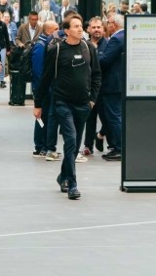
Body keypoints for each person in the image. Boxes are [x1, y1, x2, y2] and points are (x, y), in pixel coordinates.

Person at [33, 14, 101, 200]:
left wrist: (92, 100)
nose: (80, 29)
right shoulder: (56, 50)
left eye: (81, 26)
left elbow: (96, 75)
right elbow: (45, 78)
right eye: (76, 26)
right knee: (70, 140)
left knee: (75, 145)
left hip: (83, 104)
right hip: (62, 103)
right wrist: (38, 104)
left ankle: (63, 176)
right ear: (67, 30)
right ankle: (72, 184)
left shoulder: (89, 48)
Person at [98, 13, 125, 161]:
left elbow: (105, 60)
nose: (107, 26)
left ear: (113, 25)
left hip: (113, 84)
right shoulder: (125, 36)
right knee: (116, 116)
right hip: (120, 83)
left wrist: (94, 55)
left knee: (114, 117)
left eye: (108, 23)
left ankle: (119, 148)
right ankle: (116, 146)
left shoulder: (116, 38)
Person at [31, 20, 59, 159]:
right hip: (43, 89)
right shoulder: (41, 46)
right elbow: (38, 71)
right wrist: (41, 90)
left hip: (46, 88)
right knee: (42, 116)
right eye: (56, 29)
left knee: (46, 116)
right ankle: (40, 146)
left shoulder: (46, 44)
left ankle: (45, 145)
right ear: (48, 31)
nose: (58, 32)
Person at [83, 17, 107, 156]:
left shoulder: (108, 44)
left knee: (107, 118)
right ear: (88, 29)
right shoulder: (84, 45)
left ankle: (101, 136)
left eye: (99, 27)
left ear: (103, 29)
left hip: (104, 88)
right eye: (94, 27)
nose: (96, 30)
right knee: (90, 118)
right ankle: (88, 146)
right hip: (88, 88)